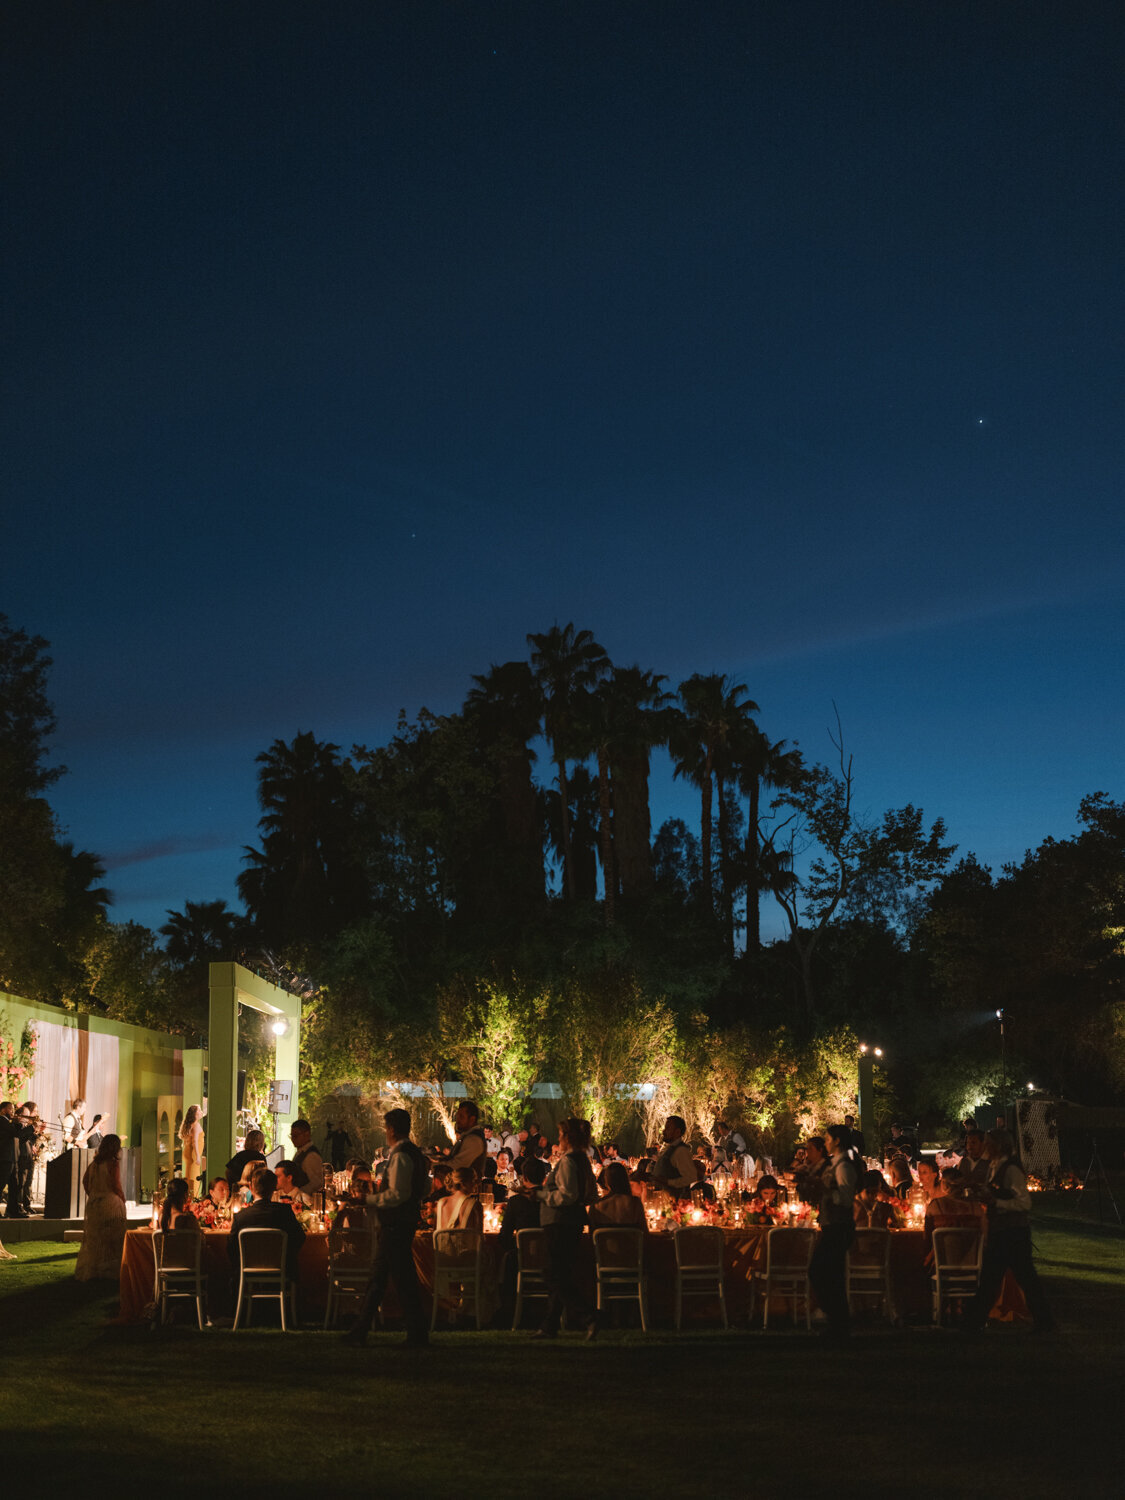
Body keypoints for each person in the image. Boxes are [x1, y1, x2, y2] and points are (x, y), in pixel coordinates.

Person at [342, 1108, 431, 1348]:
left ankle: (413, 1334)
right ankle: (363, 1330)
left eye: (385, 1128)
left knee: (396, 1280)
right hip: (402, 1222)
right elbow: (420, 1189)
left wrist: (368, 1200)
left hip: (396, 1224)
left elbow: (397, 1194)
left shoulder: (401, 1155)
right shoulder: (414, 1154)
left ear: (391, 1129)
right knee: (384, 1278)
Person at [964, 1129, 1055, 1334]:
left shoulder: (1011, 1169)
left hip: (1013, 1233)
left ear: (997, 1145)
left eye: (988, 1143)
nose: (984, 1146)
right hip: (1000, 1231)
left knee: (1023, 1278)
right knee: (991, 1278)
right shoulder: (994, 1167)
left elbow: (1024, 1203)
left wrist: (996, 1202)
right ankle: (974, 1322)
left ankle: (1044, 1321)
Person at [532, 1117, 598, 1341]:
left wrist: (541, 1195)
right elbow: (590, 1195)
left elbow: (567, 1195)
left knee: (552, 1273)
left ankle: (589, 1315)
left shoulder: (568, 1161)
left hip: (559, 1222)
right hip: (574, 1221)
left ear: (568, 1138)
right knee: (561, 1273)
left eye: (560, 1135)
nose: (558, 1140)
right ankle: (550, 1324)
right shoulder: (584, 1161)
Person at [808, 1123, 859, 1341]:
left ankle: (838, 1321)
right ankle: (838, 1323)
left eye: (828, 1139)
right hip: (832, 1225)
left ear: (837, 1141)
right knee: (828, 1274)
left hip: (839, 1227)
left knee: (823, 1271)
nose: (826, 1143)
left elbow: (846, 1200)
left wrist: (825, 1190)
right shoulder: (834, 1164)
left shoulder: (844, 1166)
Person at [228, 1168, 306, 1286]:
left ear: (251, 1187)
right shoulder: (284, 1212)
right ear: (274, 1187)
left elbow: (231, 1247)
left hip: (248, 1272)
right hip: (281, 1271)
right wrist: (284, 1258)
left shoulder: (241, 1216)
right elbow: (299, 1238)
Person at [74, 1134, 127, 1280]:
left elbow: (85, 1181)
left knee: (96, 1238)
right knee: (113, 1238)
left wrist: (93, 1194)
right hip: (110, 1203)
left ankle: (94, 1270)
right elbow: (116, 1183)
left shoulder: (95, 1163)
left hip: (94, 1204)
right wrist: (122, 1198)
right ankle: (110, 1271)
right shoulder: (112, 1162)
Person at [432, 1100, 487, 1175]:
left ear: (472, 1119)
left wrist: (431, 1166)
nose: (457, 1120)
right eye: (457, 1116)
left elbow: (457, 1165)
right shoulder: (466, 1137)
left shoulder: (474, 1140)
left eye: (461, 1116)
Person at [590, 1162, 646, 1230]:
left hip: (606, 1240)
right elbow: (644, 1233)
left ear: (607, 1181)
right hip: (630, 1240)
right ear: (626, 1179)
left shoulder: (596, 1206)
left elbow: (592, 1237)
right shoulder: (635, 1203)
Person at [651, 1116, 695, 1198]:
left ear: (677, 1132)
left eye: (668, 1128)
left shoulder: (681, 1151)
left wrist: (668, 1182)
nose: (664, 1131)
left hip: (673, 1200)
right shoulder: (669, 1149)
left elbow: (690, 1178)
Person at [434, 1167, 483, 1232]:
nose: (476, 1185)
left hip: (441, 1242)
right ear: (463, 1184)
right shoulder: (474, 1204)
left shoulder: (441, 1203)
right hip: (465, 1242)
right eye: (473, 1181)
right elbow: (479, 1236)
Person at [288, 1119, 325, 1200]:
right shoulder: (301, 1152)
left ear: (306, 1134)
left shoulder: (311, 1156)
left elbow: (317, 1183)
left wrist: (297, 1193)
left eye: (296, 1136)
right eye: (291, 1136)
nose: (293, 1139)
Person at [0, 1102, 25, 1218]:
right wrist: (22, 1124)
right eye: (11, 1109)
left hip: (11, 1158)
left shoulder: (7, 1122)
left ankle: (13, 1210)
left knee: (14, 1186)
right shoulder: (2, 1120)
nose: (13, 1112)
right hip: (5, 1158)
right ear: (3, 1110)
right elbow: (16, 1133)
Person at [179, 1105, 205, 1197]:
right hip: (193, 1154)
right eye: (199, 1110)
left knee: (189, 1175)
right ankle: (193, 1197)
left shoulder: (190, 1124)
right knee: (194, 1177)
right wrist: (198, 1156)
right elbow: (195, 1141)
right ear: (195, 1113)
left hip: (188, 1152)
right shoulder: (196, 1125)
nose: (201, 1111)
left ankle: (189, 1197)